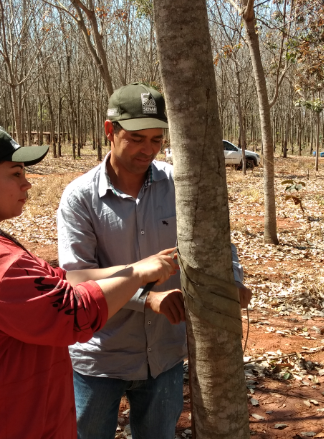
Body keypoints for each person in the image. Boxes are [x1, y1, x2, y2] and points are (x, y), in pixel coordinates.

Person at [0, 126, 178, 439]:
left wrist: (135, 266)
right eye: (15, 174)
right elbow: (76, 313)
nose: (27, 184)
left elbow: (56, 283)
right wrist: (139, 275)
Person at [57, 83, 252, 439]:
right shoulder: (80, 197)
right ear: (109, 131)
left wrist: (233, 281)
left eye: (156, 139)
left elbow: (220, 242)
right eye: (135, 138)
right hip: (100, 355)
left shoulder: (180, 185)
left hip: (164, 355)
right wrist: (148, 298)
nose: (147, 149)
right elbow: (76, 278)